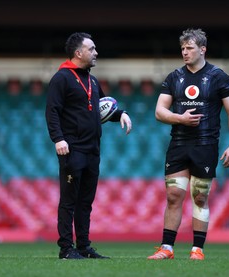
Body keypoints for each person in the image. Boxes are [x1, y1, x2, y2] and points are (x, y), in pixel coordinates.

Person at [147, 28, 229, 260]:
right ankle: (166, 248)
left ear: (202, 49)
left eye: (189, 48)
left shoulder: (219, 77)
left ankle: (197, 249)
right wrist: (180, 119)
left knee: (199, 196)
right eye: (183, 49)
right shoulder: (174, 77)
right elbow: (159, 111)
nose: (185, 52)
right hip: (178, 144)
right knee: (173, 196)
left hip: (205, 145)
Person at [45, 32, 132, 259]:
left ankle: (83, 247)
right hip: (72, 149)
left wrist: (120, 114)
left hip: (93, 150)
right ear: (78, 52)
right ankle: (66, 249)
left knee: (85, 202)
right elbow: (52, 112)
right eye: (91, 49)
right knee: (69, 201)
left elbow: (104, 108)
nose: (96, 53)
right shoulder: (61, 78)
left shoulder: (92, 80)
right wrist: (58, 139)